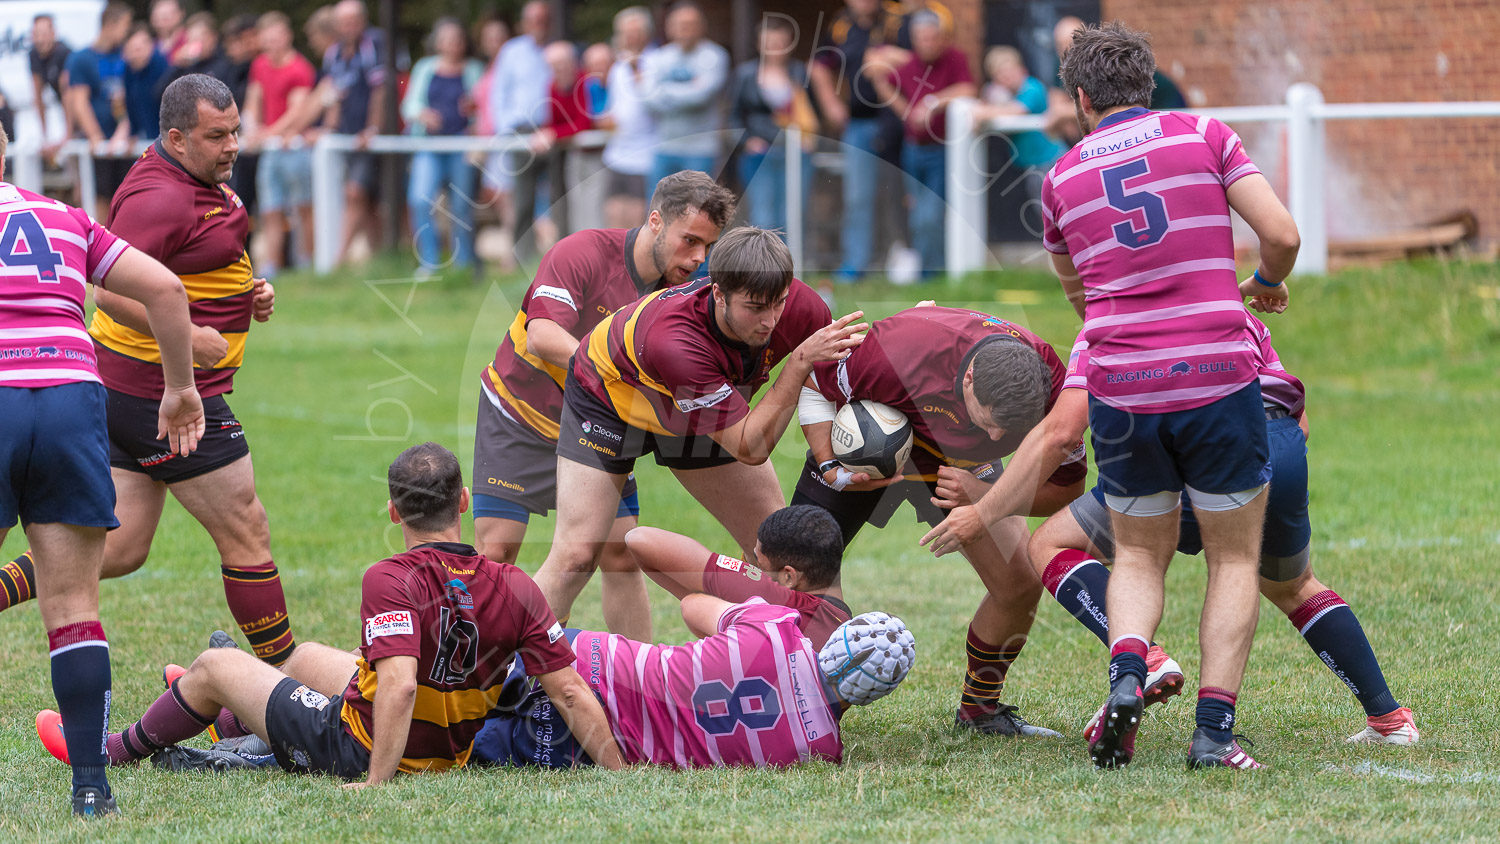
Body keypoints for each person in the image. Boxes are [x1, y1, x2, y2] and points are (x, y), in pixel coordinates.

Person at [38, 443, 626, 784]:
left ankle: (114, 748)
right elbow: (572, 692)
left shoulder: (390, 577)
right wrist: (622, 774)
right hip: (449, 749)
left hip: (366, 747)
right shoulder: (516, 584)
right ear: (464, 503)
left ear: (393, 512)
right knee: (305, 659)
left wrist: (375, 783)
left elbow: (398, 687)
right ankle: (229, 718)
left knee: (214, 665)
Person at [1039, 21, 1300, 771]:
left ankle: (1128, 672)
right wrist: (1265, 283)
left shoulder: (1059, 180)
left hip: (1122, 387)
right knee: (1234, 559)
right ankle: (1213, 734)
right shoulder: (1205, 135)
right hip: (1216, 377)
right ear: (1147, 85)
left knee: (1137, 555)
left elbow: (1080, 299)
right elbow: (1282, 235)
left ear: (1081, 98)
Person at [1014, 314, 1421, 752]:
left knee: (1055, 543)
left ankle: (1142, 660)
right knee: (1293, 585)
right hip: (1281, 448)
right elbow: (1299, 420)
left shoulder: (1110, 321)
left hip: (1197, 454)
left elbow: (1063, 433)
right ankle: (1389, 719)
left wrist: (989, 506)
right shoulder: (1237, 312)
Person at [0, 77, 294, 670]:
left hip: (133, 392)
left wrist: (247, 292)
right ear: (177, 139)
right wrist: (188, 341)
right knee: (246, 527)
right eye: (217, 135)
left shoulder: (199, 175)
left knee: (123, 544)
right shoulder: (157, 198)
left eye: (235, 131)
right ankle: (286, 681)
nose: (233, 145)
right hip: (162, 393)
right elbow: (110, 294)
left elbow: (200, 258)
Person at [0, 120, 205, 817]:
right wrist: (180, 389)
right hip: (70, 395)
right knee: (73, 609)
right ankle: (91, 786)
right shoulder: (65, 218)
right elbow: (166, 290)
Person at [531, 227, 866, 630]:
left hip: (696, 402)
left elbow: (834, 383)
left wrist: (833, 458)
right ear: (718, 294)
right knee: (576, 556)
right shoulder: (676, 342)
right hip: (608, 397)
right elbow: (750, 446)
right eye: (755, 307)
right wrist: (797, 364)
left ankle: (790, 659)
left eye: (778, 303)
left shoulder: (801, 306)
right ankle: (506, 662)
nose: (770, 320)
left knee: (783, 553)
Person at [791, 305, 1083, 736]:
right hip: (867, 453)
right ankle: (786, 703)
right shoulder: (898, 351)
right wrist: (829, 464)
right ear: (969, 379)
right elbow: (816, 382)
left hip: (959, 468)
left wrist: (983, 496)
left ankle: (979, 712)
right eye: (990, 421)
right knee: (796, 567)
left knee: (1019, 584)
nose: (997, 437)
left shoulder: (1054, 389)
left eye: (1009, 428)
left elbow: (1067, 488)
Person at [473, 171, 736, 641]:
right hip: (520, 414)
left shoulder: (683, 293)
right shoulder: (583, 252)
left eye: (708, 246)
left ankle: (637, 676)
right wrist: (611, 369)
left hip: (593, 424)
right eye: (690, 241)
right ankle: (478, 671)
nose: (699, 258)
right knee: (497, 551)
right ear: (655, 221)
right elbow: (542, 335)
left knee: (619, 553)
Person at [474, 595, 914, 769]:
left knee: (453, 683)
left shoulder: (776, 625)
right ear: (875, 696)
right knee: (451, 745)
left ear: (837, 637)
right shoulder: (820, 751)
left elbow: (692, 605)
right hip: (583, 743)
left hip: (585, 657)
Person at [626, 505, 852, 648]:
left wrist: (742, 578)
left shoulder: (781, 599)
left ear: (788, 578)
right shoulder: (848, 630)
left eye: (758, 564)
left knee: (695, 604)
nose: (754, 568)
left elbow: (640, 539)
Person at [863, 11, 973, 280]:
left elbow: (968, 89)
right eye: (922, 39)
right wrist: (907, 112)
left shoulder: (955, 58)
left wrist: (932, 104)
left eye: (932, 38)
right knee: (916, 213)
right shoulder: (909, 64)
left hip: (943, 149)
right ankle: (926, 272)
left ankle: (933, 274)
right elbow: (881, 81)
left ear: (942, 37)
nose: (928, 44)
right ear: (914, 39)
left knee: (931, 214)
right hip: (913, 150)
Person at [808, 0, 905, 283]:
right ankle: (856, 263)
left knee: (901, 194)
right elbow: (819, 66)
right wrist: (830, 103)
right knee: (857, 197)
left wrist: (887, 57)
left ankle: (904, 262)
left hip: (898, 122)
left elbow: (920, 57)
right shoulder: (842, 25)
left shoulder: (897, 20)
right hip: (859, 125)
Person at [402, 18, 485, 276]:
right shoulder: (425, 68)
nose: (452, 45)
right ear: (438, 43)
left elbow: (482, 107)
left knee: (461, 207)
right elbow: (409, 105)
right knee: (419, 199)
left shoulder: (474, 69)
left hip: (462, 146)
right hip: (430, 145)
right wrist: (423, 114)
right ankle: (430, 261)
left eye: (457, 40)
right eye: (447, 40)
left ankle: (464, 265)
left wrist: (473, 114)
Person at [245, 12, 318, 277]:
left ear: (287, 36)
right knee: (270, 210)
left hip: (295, 148)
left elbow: (297, 112)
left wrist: (265, 134)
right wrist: (251, 126)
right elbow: (254, 100)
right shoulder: (259, 65)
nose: (271, 44)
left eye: (275, 38)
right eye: (267, 40)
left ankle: (308, 264)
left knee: (303, 208)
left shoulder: (300, 68)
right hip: (271, 149)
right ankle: (271, 267)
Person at [729, 16, 815, 235]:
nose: (776, 49)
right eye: (770, 43)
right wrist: (747, 141)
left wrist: (808, 139)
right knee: (763, 217)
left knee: (793, 216)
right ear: (759, 44)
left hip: (795, 153)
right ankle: (764, 258)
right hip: (759, 155)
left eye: (781, 43)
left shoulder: (800, 72)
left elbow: (811, 113)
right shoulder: (745, 75)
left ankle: (789, 258)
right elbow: (733, 117)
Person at [488, 0, 554, 266]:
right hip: (522, 133)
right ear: (524, 23)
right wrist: (509, 132)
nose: (539, 24)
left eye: (543, 19)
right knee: (523, 199)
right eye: (534, 19)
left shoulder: (558, 49)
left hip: (555, 133)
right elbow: (499, 93)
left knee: (559, 197)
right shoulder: (512, 51)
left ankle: (562, 260)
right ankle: (522, 259)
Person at [323, 0, 387, 266]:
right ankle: (381, 259)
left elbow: (381, 89)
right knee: (368, 202)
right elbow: (333, 94)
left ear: (363, 21)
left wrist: (372, 128)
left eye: (353, 21)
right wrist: (328, 129)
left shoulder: (375, 44)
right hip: (346, 138)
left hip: (370, 138)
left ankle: (337, 261)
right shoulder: (333, 53)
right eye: (344, 22)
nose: (349, 27)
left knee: (356, 193)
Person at [641, 2, 730, 193]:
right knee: (658, 206)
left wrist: (664, 90)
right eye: (680, 24)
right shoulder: (658, 57)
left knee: (698, 208)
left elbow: (701, 96)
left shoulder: (715, 56)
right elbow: (648, 98)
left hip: (701, 149)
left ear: (702, 26)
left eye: (691, 24)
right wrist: (689, 88)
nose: (686, 30)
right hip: (663, 147)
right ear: (669, 27)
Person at [65, 2, 134, 222]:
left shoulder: (125, 55)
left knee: (127, 199)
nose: (127, 32)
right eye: (125, 26)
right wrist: (96, 137)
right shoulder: (81, 58)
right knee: (99, 199)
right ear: (111, 24)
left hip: (125, 143)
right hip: (99, 146)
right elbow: (79, 102)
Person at [974, 46, 1064, 203]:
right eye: (1000, 74)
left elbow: (1018, 110)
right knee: (1040, 207)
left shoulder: (1032, 87)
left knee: (1054, 206)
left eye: (1010, 71)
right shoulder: (1007, 94)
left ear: (1022, 69)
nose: (1006, 77)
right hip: (1031, 163)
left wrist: (983, 113)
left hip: (1050, 160)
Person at [600, 6, 658, 229]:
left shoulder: (657, 62)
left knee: (638, 219)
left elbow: (653, 101)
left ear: (646, 34)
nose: (630, 38)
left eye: (635, 32)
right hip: (616, 153)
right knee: (614, 215)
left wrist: (636, 69)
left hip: (645, 155)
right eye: (625, 33)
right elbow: (615, 106)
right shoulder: (617, 68)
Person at [29, 14, 73, 152]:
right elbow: (37, 96)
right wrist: (44, 136)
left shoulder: (63, 53)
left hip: (80, 106)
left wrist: (68, 135)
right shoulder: (34, 54)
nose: (40, 39)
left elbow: (68, 94)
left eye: (44, 34)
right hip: (66, 105)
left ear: (53, 34)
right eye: (36, 35)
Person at [122, 26, 168, 142]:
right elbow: (130, 106)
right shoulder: (129, 70)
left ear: (150, 47)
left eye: (138, 50)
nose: (134, 55)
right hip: (144, 136)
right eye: (130, 51)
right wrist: (133, 134)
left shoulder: (162, 68)